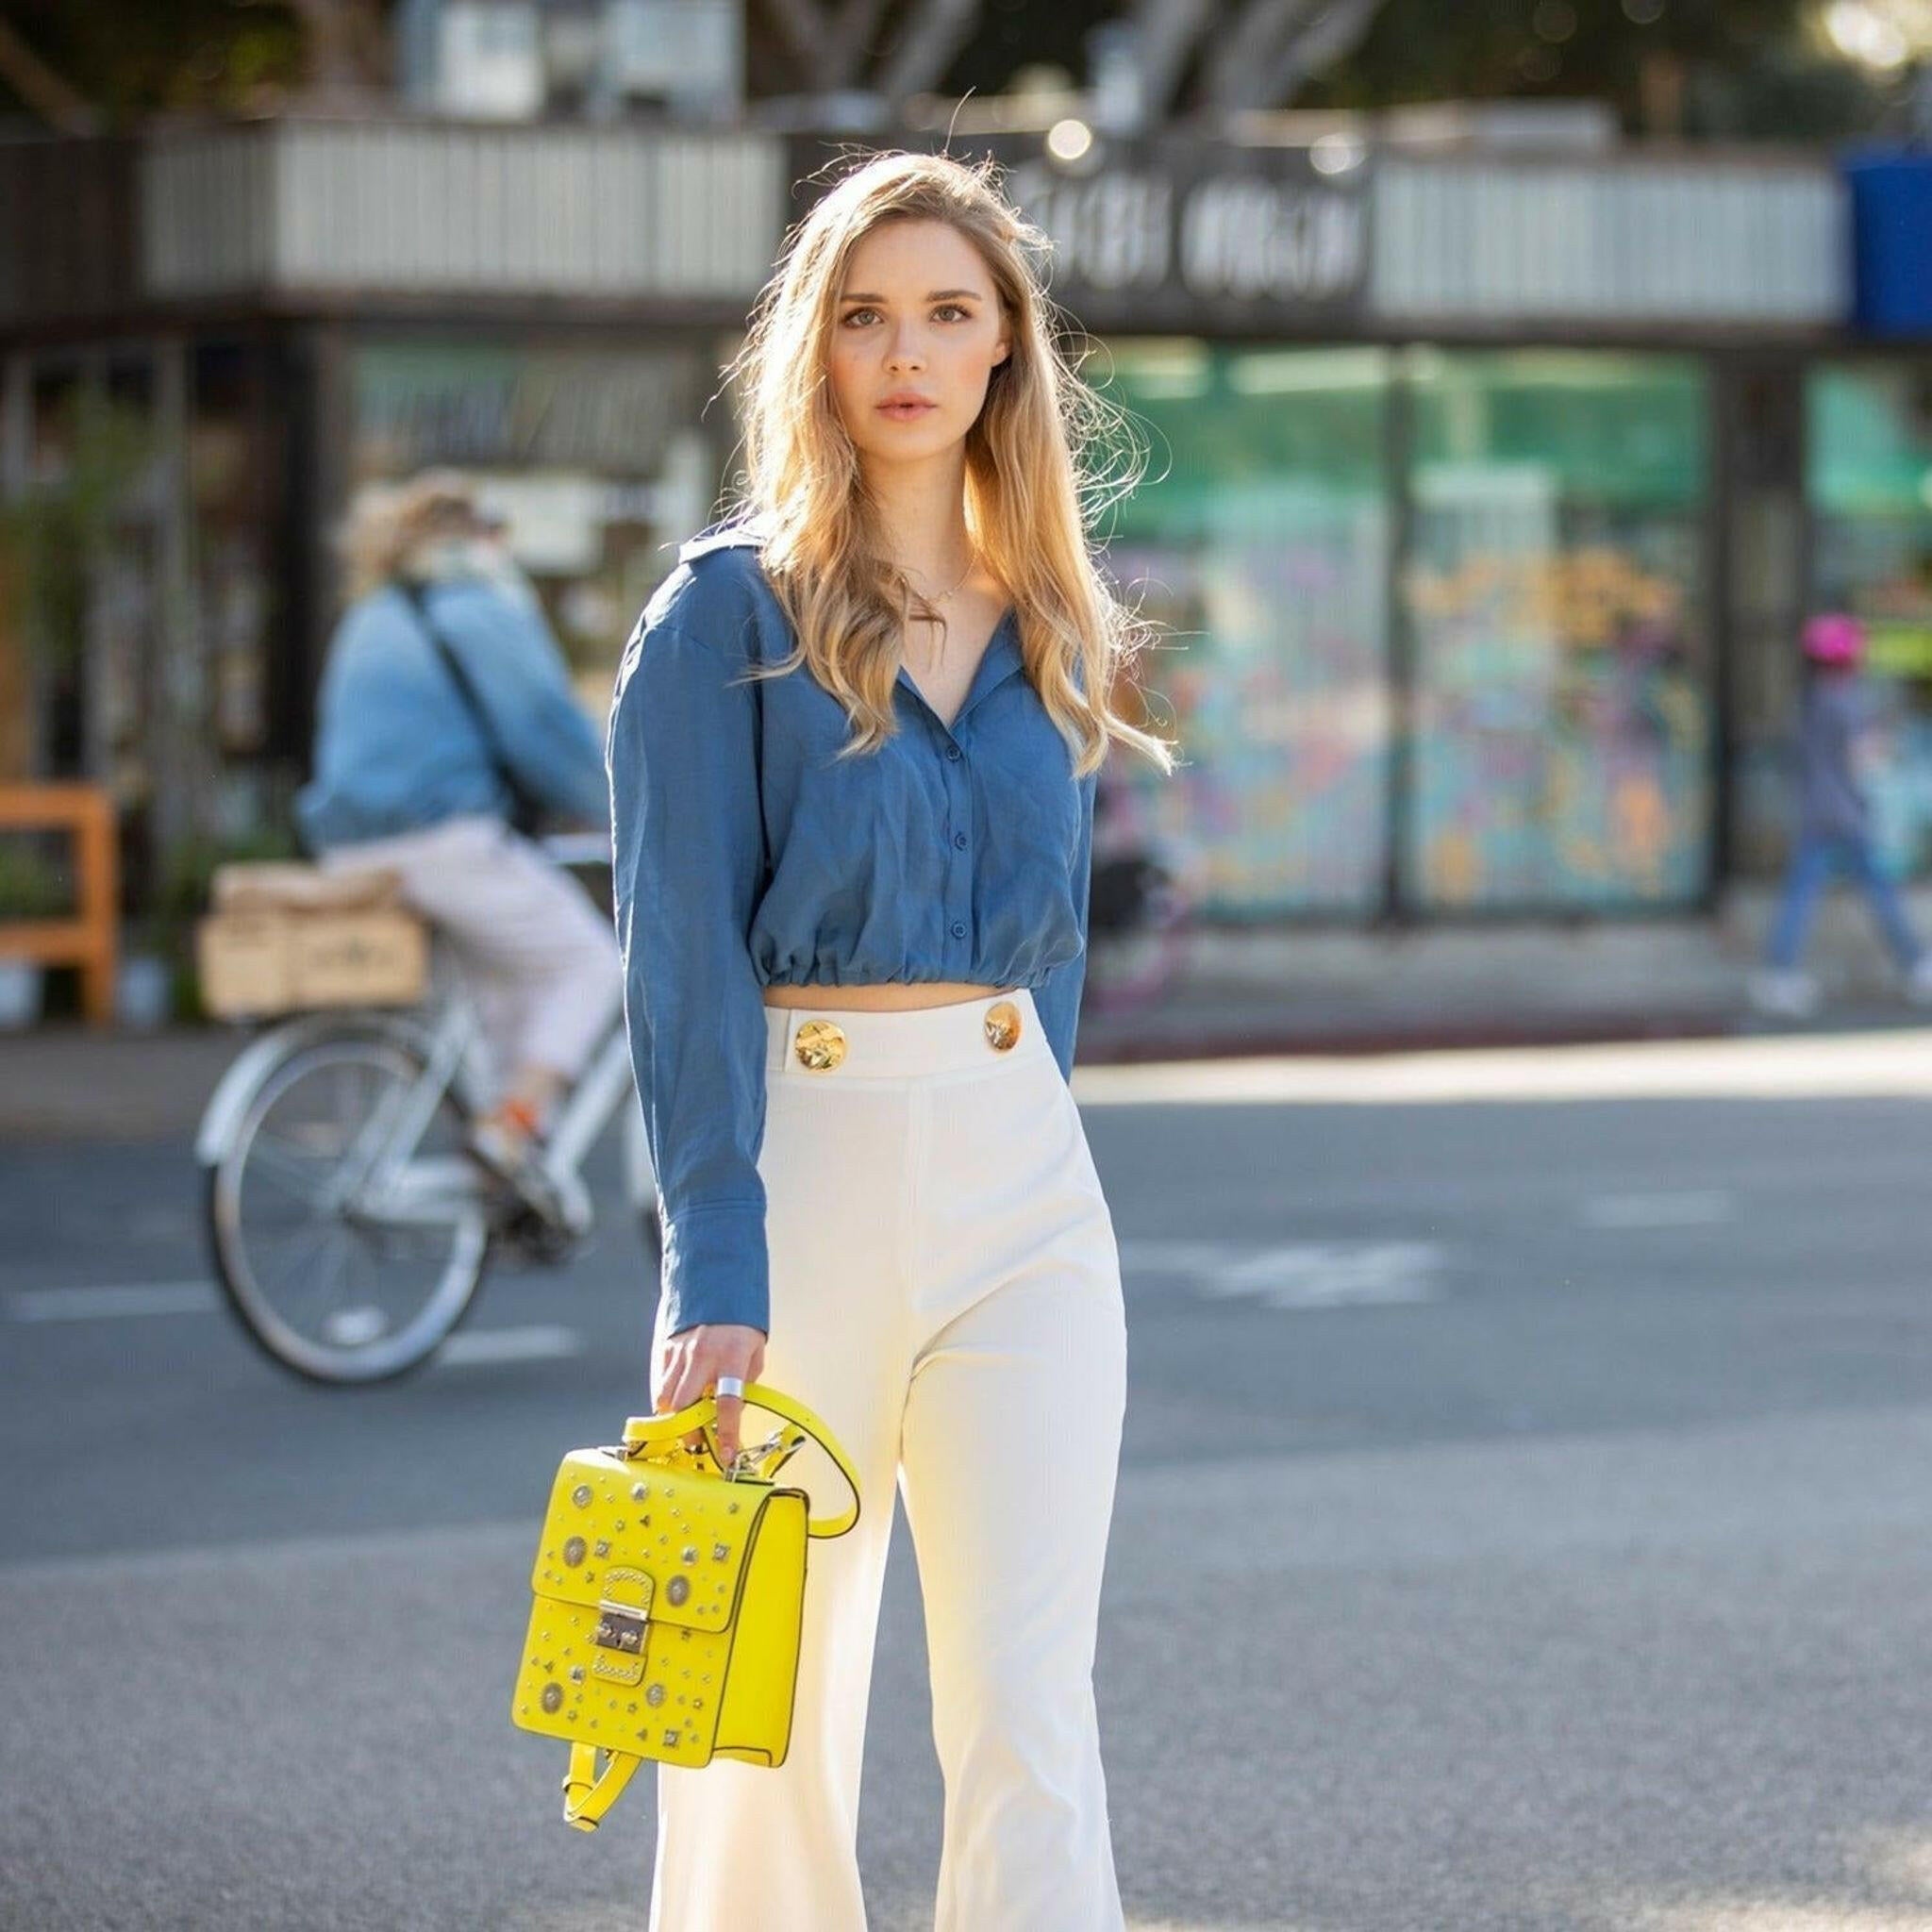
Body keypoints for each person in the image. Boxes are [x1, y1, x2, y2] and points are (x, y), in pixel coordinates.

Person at [606, 151, 1174, 1931]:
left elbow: (1054, 955)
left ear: (1007, 349)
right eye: (864, 315)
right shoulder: (723, 617)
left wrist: (1028, 1131)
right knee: (759, 1709)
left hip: (1024, 1187)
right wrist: (715, 1250)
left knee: (1028, 1703)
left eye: (947, 312)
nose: (905, 351)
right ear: (817, 351)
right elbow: (677, 956)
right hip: (802, 1166)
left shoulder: (1055, 622)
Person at [296, 471, 623, 1214]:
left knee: (510, 988)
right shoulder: (477, 606)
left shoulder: (370, 614)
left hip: (351, 848)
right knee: (591, 963)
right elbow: (545, 730)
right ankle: (508, 1130)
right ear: (476, 535)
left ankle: (502, 1163)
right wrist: (624, 808)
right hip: (438, 841)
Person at [1751, 611, 1932, 1018]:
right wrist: (1886, 740)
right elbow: (1862, 756)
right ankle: (1916, 964)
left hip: (1818, 809)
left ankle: (1914, 963)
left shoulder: (1811, 698)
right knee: (1866, 891)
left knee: (1820, 892)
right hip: (1841, 815)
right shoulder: (1841, 699)